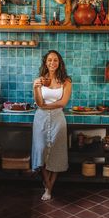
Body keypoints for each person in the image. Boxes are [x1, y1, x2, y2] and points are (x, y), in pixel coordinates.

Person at [32, 50, 72, 200]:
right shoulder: (40, 81)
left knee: (57, 151)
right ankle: (47, 183)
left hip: (58, 118)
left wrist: (45, 106)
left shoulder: (66, 81)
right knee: (41, 149)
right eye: (49, 60)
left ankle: (48, 188)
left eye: (55, 60)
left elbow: (63, 102)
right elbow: (38, 102)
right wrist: (34, 87)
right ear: (45, 63)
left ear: (59, 62)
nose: (52, 63)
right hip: (40, 118)